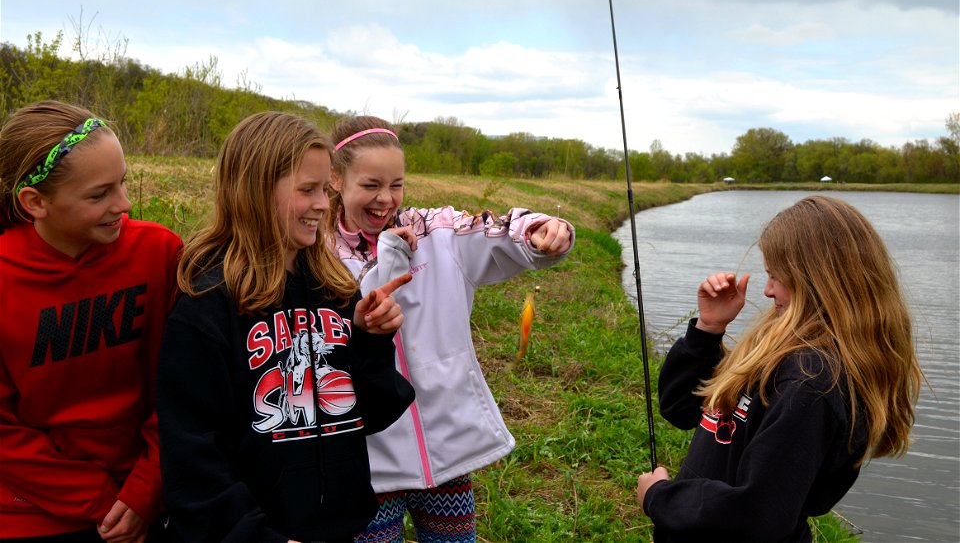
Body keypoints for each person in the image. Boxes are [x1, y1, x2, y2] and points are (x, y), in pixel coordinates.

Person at [155, 112, 416, 543]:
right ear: (255, 191)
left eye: (326, 190)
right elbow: (192, 455)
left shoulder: (333, 289)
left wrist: (371, 340)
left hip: (343, 529)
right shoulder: (208, 303)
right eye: (307, 190)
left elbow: (372, 415)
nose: (322, 204)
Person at [327, 116, 574, 543]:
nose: (385, 198)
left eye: (397, 184)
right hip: (366, 461)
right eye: (371, 185)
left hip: (448, 452)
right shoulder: (317, 252)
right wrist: (387, 254)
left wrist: (542, 231)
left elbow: (497, 231)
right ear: (335, 178)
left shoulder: (436, 231)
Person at [636, 195, 923, 542]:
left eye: (775, 276)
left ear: (818, 280)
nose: (767, 289)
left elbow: (760, 512)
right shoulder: (776, 346)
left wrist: (660, 498)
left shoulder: (813, 383)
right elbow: (681, 409)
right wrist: (707, 332)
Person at [0, 100, 182, 542]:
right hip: (32, 509)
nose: (125, 203)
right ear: (35, 202)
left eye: (121, 183)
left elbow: (182, 385)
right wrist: (99, 501)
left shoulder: (157, 253)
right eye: (100, 194)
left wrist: (144, 491)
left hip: (149, 491)